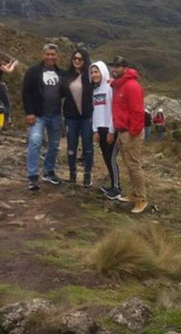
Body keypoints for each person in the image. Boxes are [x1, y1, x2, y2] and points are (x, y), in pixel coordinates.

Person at [22, 43, 64, 191]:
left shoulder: (61, 73)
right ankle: (32, 177)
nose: (50, 57)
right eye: (48, 54)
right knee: (35, 142)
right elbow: (26, 92)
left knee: (54, 145)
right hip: (38, 115)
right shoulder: (33, 72)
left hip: (56, 115)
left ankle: (48, 171)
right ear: (43, 55)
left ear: (57, 57)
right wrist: (29, 112)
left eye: (53, 54)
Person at [109, 56, 147, 213]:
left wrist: (133, 132)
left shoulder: (131, 86)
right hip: (122, 131)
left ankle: (141, 198)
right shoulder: (119, 85)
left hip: (131, 133)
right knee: (129, 166)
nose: (115, 69)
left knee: (134, 166)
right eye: (113, 66)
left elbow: (137, 111)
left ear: (125, 68)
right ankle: (134, 193)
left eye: (118, 67)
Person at [62, 47, 94, 187]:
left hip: (87, 117)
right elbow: (60, 93)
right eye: (74, 58)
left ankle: (87, 176)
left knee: (88, 146)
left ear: (85, 60)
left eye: (80, 59)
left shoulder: (90, 76)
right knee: (71, 147)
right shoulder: (66, 75)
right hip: (71, 117)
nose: (77, 61)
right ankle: (72, 175)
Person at [91, 61, 121, 200]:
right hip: (100, 129)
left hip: (110, 129)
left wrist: (111, 130)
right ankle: (112, 185)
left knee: (112, 158)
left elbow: (112, 111)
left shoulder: (110, 88)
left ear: (103, 72)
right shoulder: (95, 90)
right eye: (92, 72)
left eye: (96, 71)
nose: (94, 75)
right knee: (106, 158)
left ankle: (117, 187)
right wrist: (95, 130)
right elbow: (95, 112)